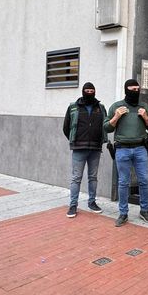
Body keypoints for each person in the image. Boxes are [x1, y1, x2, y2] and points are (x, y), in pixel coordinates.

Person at [104, 79, 148, 227]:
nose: (135, 91)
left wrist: (145, 117)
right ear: (126, 90)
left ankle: (144, 211)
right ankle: (123, 213)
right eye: (132, 89)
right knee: (123, 182)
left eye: (137, 89)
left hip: (140, 149)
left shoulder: (144, 106)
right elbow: (107, 128)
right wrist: (116, 116)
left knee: (144, 181)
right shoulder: (116, 106)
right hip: (122, 149)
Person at [62, 82, 107, 218]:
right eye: (87, 90)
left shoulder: (101, 107)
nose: (89, 92)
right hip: (79, 148)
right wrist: (74, 140)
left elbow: (105, 124)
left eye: (92, 90)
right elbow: (66, 127)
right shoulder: (73, 107)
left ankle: (92, 202)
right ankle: (73, 205)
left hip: (95, 148)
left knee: (93, 177)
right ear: (82, 91)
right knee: (76, 178)